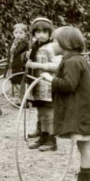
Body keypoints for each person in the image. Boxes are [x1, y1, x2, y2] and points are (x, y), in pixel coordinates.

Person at [46, 26, 90, 181]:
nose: (51, 44)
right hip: (83, 109)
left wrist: (50, 80)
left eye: (54, 41)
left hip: (81, 111)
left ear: (65, 43)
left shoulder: (72, 61)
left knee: (84, 144)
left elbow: (68, 85)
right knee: (83, 144)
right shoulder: (75, 59)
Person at [26, 17, 60, 150]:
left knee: (48, 113)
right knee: (41, 112)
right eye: (38, 32)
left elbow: (57, 65)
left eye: (44, 32)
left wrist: (37, 65)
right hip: (37, 85)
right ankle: (43, 136)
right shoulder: (35, 47)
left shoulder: (51, 47)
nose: (41, 35)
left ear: (50, 33)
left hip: (48, 85)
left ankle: (52, 140)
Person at [8, 23, 30, 101]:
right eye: (16, 33)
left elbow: (17, 51)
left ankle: (23, 97)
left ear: (25, 34)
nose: (18, 35)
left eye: (21, 33)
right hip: (15, 64)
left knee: (19, 80)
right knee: (14, 80)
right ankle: (22, 96)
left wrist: (13, 47)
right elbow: (11, 52)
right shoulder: (15, 41)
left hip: (21, 64)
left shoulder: (24, 42)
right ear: (13, 33)